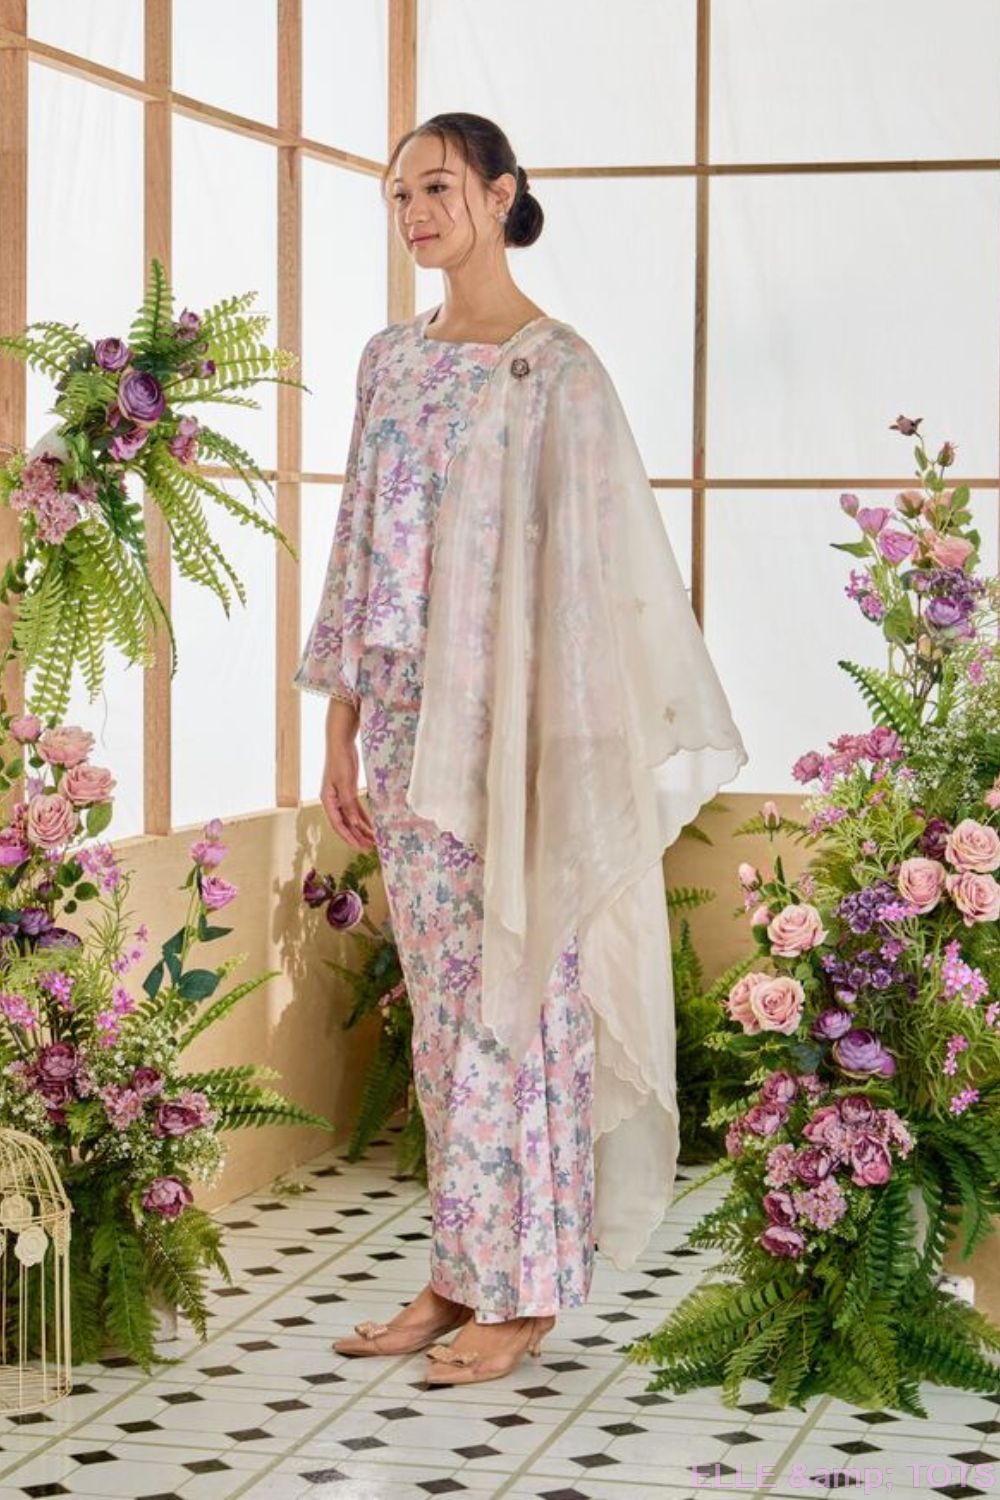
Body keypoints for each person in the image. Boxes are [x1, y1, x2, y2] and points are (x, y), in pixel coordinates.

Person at [295, 111, 747, 1389]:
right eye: (400, 194)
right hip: (403, 725)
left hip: (514, 732)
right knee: (443, 1008)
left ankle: (526, 1289)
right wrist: (337, 722)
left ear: (501, 195)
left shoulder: (557, 371)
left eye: (438, 187)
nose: (416, 212)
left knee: (519, 996)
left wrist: (569, 744)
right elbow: (358, 544)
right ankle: (458, 1270)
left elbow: (597, 574)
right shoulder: (389, 361)